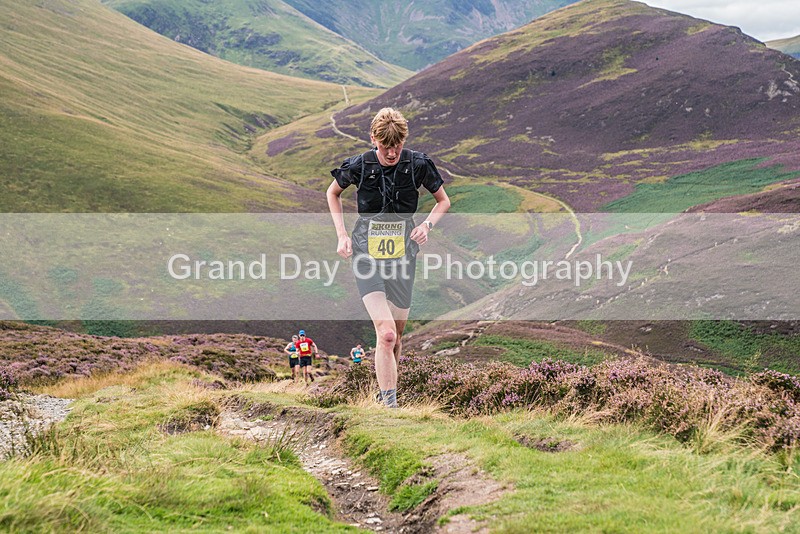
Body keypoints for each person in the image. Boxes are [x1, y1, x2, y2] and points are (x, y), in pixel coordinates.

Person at [327, 107, 450, 408]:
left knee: (397, 334)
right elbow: (332, 193)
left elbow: (443, 201)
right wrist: (342, 235)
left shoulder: (419, 164)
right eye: (385, 146)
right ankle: (389, 408)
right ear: (374, 139)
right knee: (386, 335)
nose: (392, 153)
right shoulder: (358, 165)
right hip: (366, 255)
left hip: (403, 257)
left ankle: (388, 396)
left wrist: (426, 225)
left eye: (397, 146)